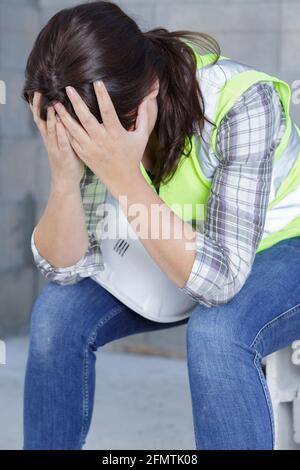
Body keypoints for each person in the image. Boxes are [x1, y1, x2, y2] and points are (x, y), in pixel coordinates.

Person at [22, 1, 300, 450]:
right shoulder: (98, 108)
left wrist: (122, 175)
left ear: (146, 93)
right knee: (57, 313)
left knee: (218, 332)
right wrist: (65, 176)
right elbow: (65, 267)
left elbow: (220, 280)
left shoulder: (243, 102)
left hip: (284, 244)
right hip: (186, 243)